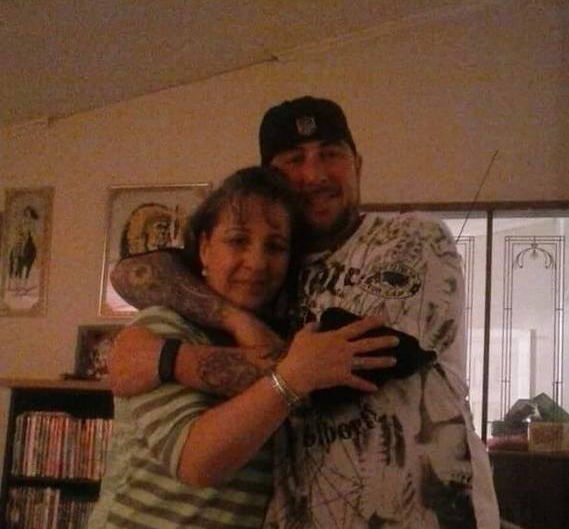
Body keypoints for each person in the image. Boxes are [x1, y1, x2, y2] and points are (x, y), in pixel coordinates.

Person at [109, 97, 500, 528]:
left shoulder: (409, 237)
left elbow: (350, 369)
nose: (315, 175)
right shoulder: (273, 276)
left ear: (357, 164)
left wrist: (171, 360)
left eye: (330, 154)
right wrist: (234, 319)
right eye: (295, 160)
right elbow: (132, 273)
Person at [89, 166, 396, 528]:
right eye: (237, 240)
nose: (257, 262)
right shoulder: (164, 324)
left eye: (275, 246)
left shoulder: (289, 333)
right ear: (205, 247)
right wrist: (289, 378)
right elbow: (196, 462)